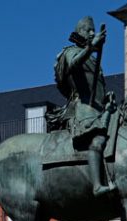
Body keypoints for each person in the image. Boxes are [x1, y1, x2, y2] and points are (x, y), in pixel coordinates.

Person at [50, 16, 117, 197]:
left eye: (93, 30)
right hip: (81, 108)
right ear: (79, 32)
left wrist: (107, 101)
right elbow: (73, 64)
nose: (92, 33)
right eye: (88, 30)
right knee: (97, 141)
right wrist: (90, 47)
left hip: (97, 108)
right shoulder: (69, 52)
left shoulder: (94, 62)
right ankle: (97, 185)